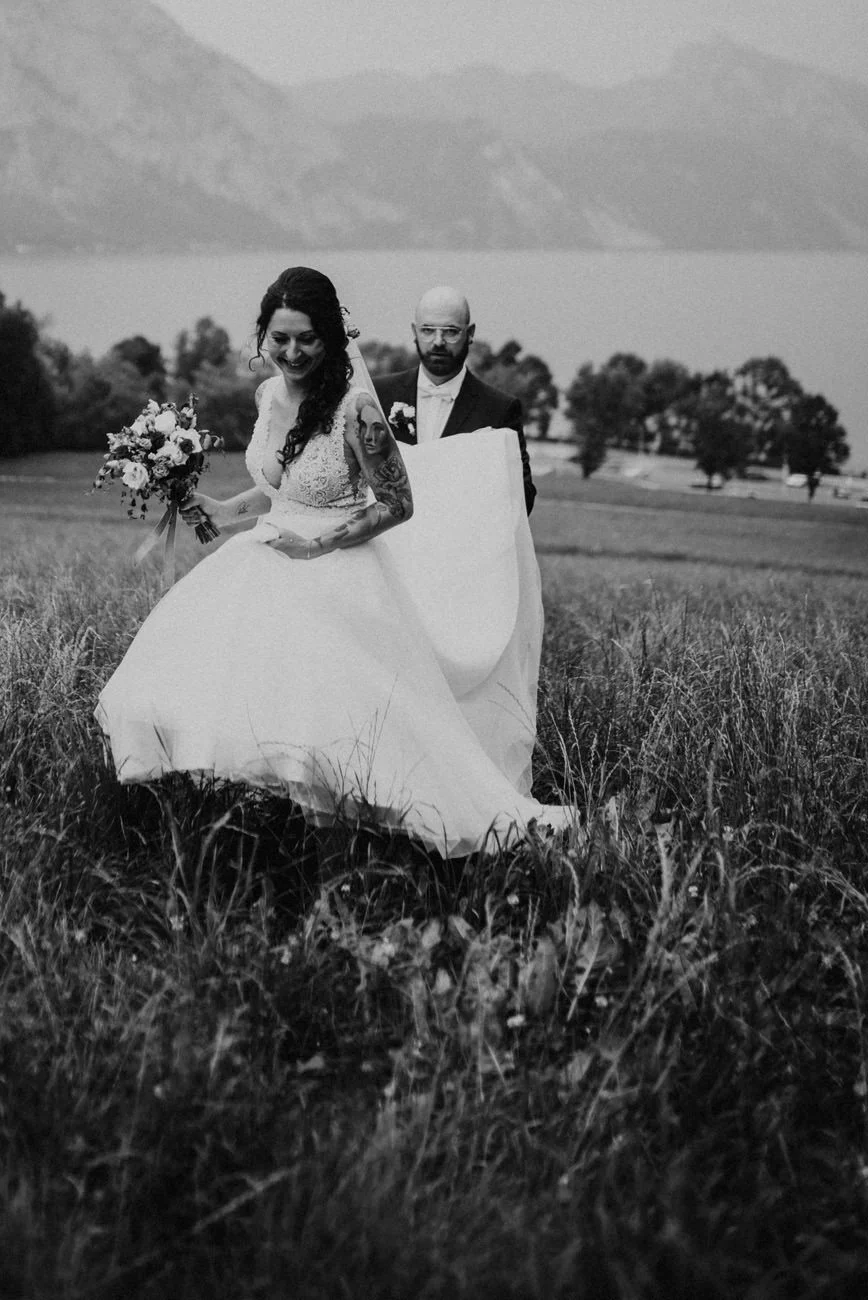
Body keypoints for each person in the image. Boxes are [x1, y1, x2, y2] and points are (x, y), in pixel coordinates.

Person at [95, 267, 571, 858]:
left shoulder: (359, 410)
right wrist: (221, 507)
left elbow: (399, 504)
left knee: (333, 730)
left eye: (307, 339)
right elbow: (281, 486)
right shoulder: (269, 395)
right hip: (265, 557)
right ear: (262, 336)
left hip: (338, 572)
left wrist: (318, 546)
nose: (292, 353)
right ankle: (246, 843)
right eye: (280, 338)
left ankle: (340, 863)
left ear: (331, 338)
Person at [374, 285, 537, 515]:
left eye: (450, 331)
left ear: (470, 334)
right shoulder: (378, 394)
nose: (438, 341)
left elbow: (524, 498)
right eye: (428, 330)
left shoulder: (499, 409)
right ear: (414, 331)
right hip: (390, 545)